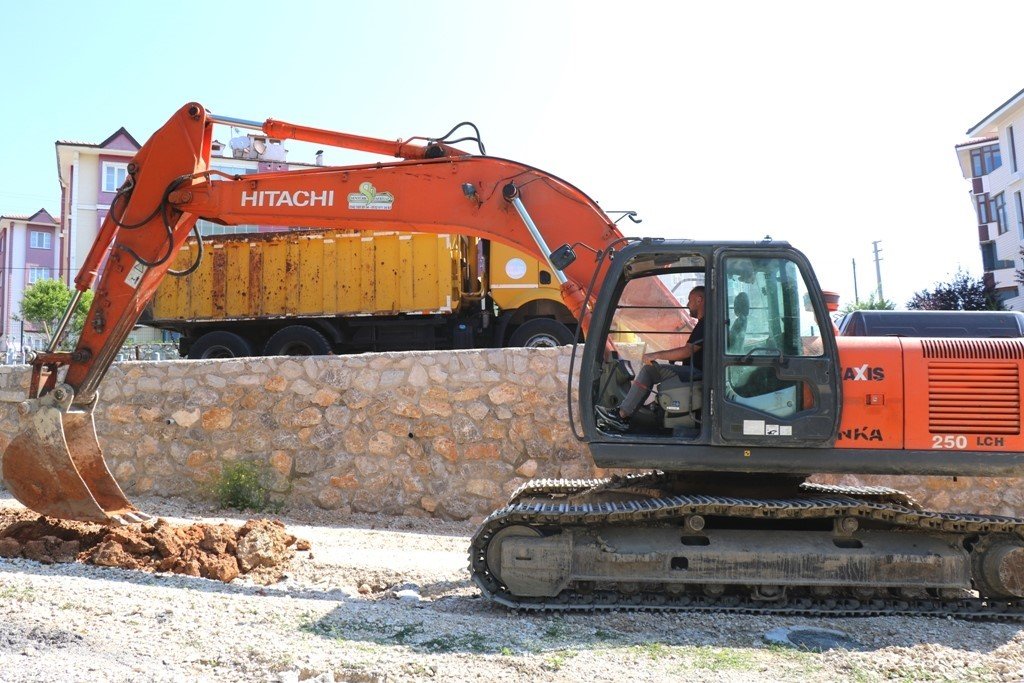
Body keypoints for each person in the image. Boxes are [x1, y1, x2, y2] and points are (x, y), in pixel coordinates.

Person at [597, 285, 705, 432]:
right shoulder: (704, 324)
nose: (687, 305)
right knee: (653, 370)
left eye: (689, 300)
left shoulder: (705, 324)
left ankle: (622, 416)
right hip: (694, 370)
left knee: (649, 371)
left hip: (696, 373)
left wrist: (656, 355)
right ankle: (642, 408)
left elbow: (687, 351)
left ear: (699, 300)